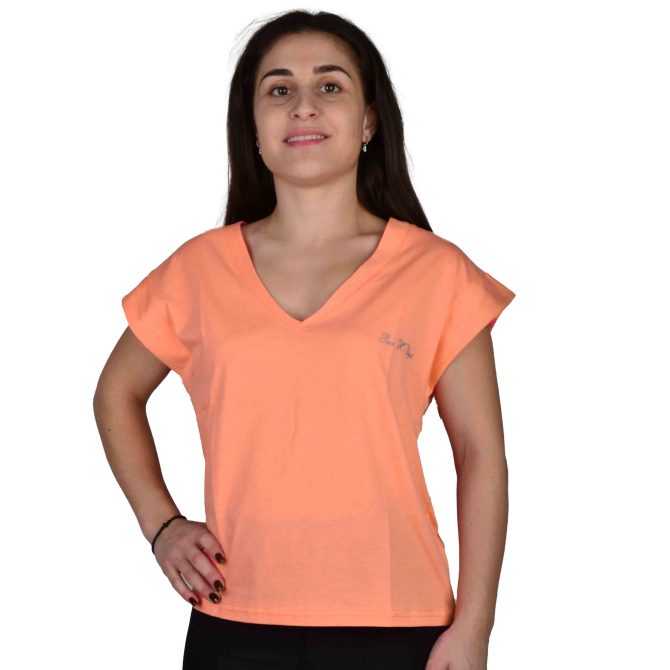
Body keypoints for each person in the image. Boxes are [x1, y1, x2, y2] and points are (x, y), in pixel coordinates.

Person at [93, 10, 516, 670]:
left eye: (330, 85)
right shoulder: (197, 271)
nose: (303, 106)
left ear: (369, 121)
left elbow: (480, 454)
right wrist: (163, 526)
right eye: (279, 89)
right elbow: (115, 394)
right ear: (253, 127)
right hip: (233, 616)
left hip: (398, 621)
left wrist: (475, 626)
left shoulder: (438, 274)